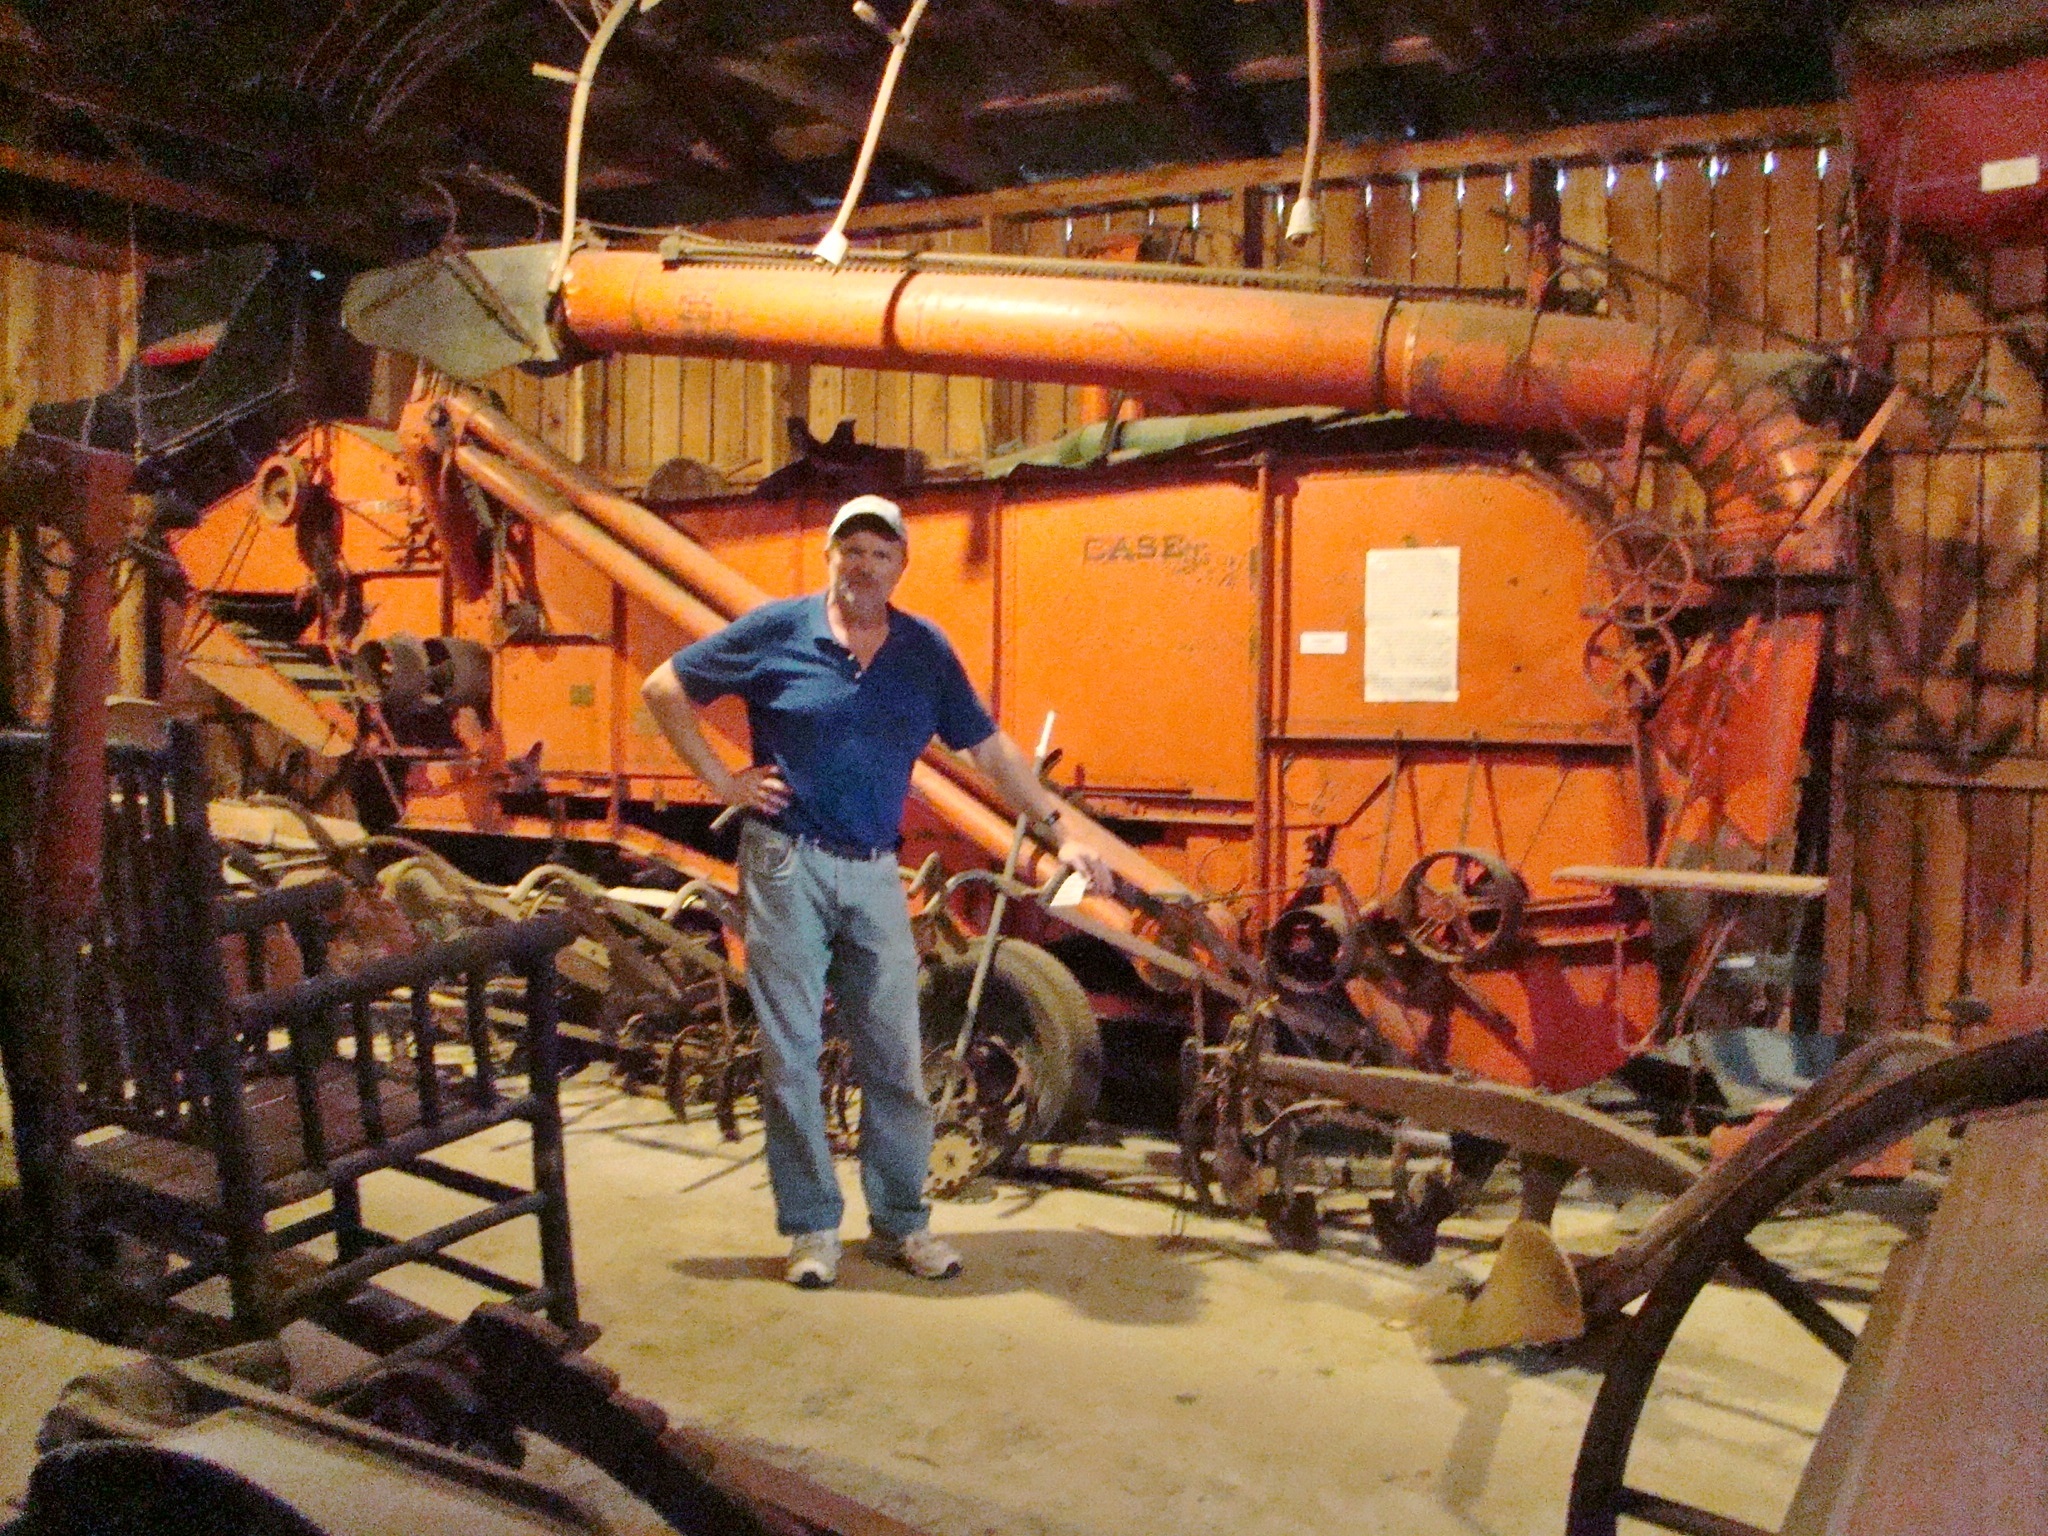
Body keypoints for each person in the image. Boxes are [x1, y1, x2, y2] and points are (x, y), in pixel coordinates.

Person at [641, 493, 1114, 1289]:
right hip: (786, 861)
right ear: (830, 556)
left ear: (900, 566)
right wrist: (723, 779)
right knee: (790, 1054)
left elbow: (992, 752)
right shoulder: (776, 631)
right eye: (850, 550)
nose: (864, 566)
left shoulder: (923, 650)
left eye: (880, 553)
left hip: (871, 870)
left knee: (895, 1052)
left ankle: (902, 1224)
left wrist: (1059, 827)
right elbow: (665, 687)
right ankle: (813, 1231)